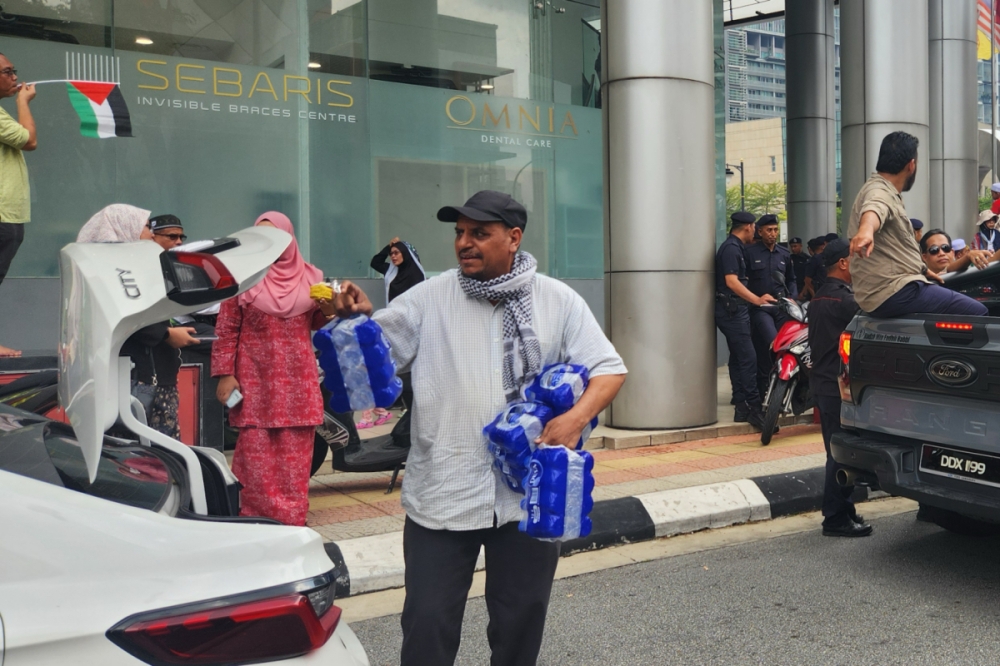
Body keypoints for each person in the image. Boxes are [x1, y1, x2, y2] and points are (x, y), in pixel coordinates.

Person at [326, 190, 627, 666]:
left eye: (479, 233)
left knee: (520, 622)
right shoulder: (428, 297)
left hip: (526, 496)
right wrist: (360, 320)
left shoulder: (556, 300)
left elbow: (609, 369)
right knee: (427, 624)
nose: (464, 243)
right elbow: (377, 355)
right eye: (459, 233)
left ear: (513, 238)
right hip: (442, 493)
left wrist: (572, 420)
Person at [213, 212, 332, 526]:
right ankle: (253, 520)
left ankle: (291, 522)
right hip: (255, 382)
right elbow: (226, 329)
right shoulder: (240, 277)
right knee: (255, 459)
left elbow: (319, 323)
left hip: (298, 384)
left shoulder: (313, 277)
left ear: (289, 238)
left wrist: (332, 307)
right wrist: (226, 373)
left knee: (294, 462)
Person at [77, 204, 199, 437]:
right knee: (144, 451)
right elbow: (128, 311)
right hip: (136, 374)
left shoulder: (127, 265)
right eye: (144, 226)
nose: (150, 233)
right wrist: (166, 334)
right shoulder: (116, 270)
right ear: (125, 229)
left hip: (147, 371)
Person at [847, 131, 988, 318]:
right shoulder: (879, 191)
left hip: (882, 294)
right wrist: (865, 231)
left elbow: (895, 251)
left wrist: (924, 270)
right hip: (894, 292)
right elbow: (875, 208)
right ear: (911, 165)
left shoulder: (878, 188)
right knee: (980, 312)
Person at [806, 238, 872, 538]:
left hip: (825, 384)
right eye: (856, 257)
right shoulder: (845, 301)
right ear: (843, 263)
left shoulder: (820, 297)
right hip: (837, 388)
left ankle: (844, 510)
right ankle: (834, 519)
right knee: (840, 454)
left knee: (839, 451)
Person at [716, 212, 773, 429]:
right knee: (749, 358)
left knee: (739, 359)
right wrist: (757, 300)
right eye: (755, 229)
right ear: (749, 227)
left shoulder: (735, 247)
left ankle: (741, 407)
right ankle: (753, 408)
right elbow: (731, 281)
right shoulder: (731, 248)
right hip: (731, 310)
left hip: (735, 309)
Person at [364, 236, 427, 426]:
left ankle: (411, 406)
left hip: (412, 324)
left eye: (396, 253)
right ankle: (390, 404)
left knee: (412, 365)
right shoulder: (391, 272)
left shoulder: (416, 274)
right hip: (393, 323)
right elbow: (375, 262)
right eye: (391, 254)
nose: (393, 257)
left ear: (406, 254)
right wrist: (388, 246)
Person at [0, 53, 36, 358]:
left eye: (14, 71)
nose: (14, 77)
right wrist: (23, 102)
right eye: (7, 72)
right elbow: (29, 140)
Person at [745, 214, 797, 401]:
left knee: (787, 346)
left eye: (775, 230)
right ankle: (764, 389)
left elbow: (791, 280)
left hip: (781, 308)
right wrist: (755, 299)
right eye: (769, 230)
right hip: (761, 308)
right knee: (772, 344)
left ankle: (781, 389)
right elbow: (743, 282)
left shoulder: (784, 254)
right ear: (760, 231)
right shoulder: (750, 253)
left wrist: (792, 298)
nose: (773, 234)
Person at [919, 229, 994, 275]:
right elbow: (949, 269)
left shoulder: (969, 270)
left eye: (945, 248)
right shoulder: (920, 281)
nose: (941, 253)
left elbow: (990, 263)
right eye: (934, 250)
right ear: (924, 257)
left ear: (952, 252)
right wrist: (968, 257)